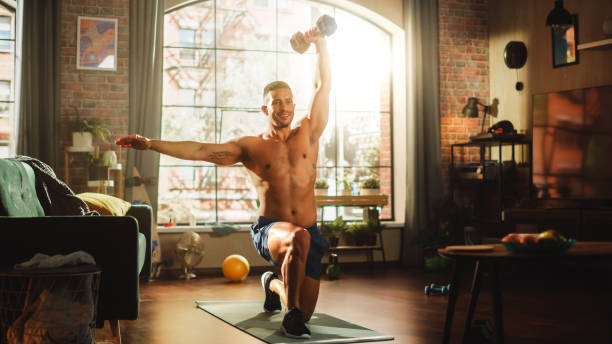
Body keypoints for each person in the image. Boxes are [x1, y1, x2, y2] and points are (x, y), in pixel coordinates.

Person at [115, 26, 330, 339]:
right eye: (276, 102)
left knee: (304, 284)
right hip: (272, 229)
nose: (283, 107)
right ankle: (290, 317)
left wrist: (320, 43)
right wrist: (150, 143)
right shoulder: (251, 147)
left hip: (310, 232)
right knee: (297, 259)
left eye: (288, 101)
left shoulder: (309, 133)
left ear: (294, 105)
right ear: (265, 108)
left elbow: (323, 87)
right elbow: (201, 150)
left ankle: (271, 283)